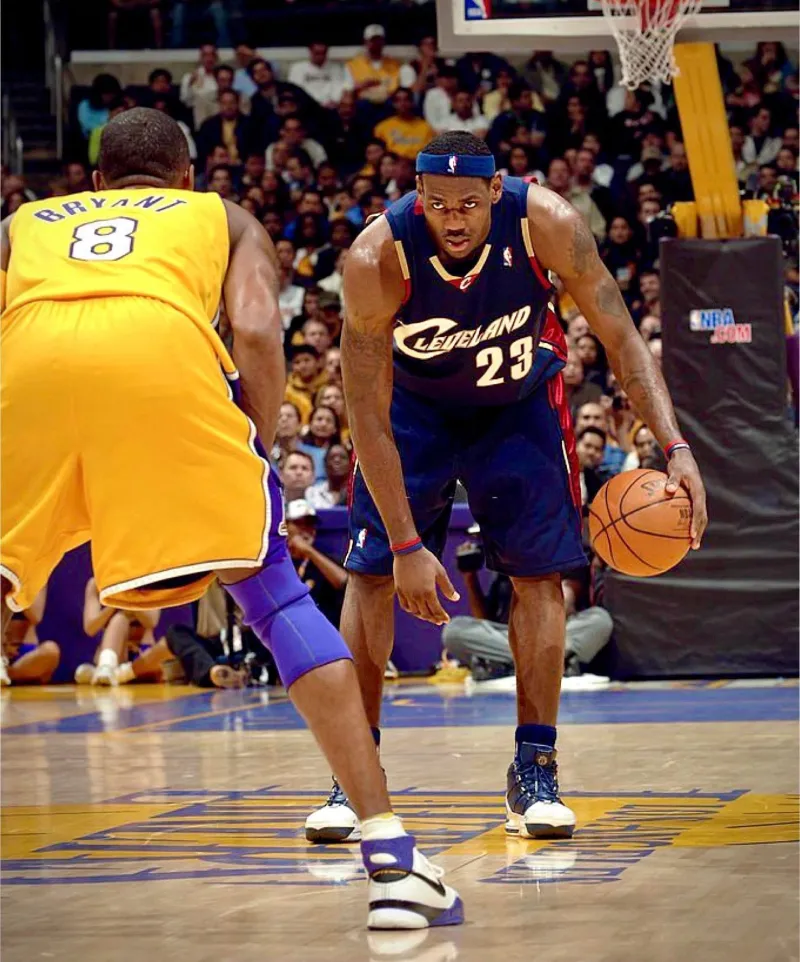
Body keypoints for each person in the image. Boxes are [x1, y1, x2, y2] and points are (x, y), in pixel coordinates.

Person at [0, 107, 461, 929]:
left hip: (26, 370)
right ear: (185, 177)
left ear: (97, 182)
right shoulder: (223, 215)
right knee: (274, 596)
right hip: (160, 364)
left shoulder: (23, 223)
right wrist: (252, 423)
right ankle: (391, 861)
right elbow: (251, 323)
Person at [305, 130, 706, 845]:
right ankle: (354, 775)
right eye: (436, 204)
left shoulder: (546, 223)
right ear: (415, 198)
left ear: (495, 191)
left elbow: (618, 338)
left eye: (466, 203)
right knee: (368, 578)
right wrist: (403, 543)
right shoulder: (376, 255)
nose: (452, 219)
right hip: (411, 413)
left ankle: (535, 766)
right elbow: (364, 410)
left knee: (540, 578)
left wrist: (673, 445)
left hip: (517, 404)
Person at [442, 534, 612, 681]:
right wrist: (470, 578)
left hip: (556, 630)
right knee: (454, 630)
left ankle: (512, 663)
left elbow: (565, 602)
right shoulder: (502, 558)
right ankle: (553, 660)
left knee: (600, 620)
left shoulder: (565, 547)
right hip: (511, 636)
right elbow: (484, 620)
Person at [75, 577, 167, 685]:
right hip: (116, 653)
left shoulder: (147, 579)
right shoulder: (96, 584)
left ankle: (101, 673)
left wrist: (126, 596)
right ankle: (106, 666)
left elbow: (151, 621)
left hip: (141, 653)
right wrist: (113, 604)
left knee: (162, 652)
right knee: (120, 619)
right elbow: (90, 628)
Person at [286, 499, 348, 627]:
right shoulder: (278, 561)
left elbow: (345, 583)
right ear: (285, 526)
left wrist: (308, 551)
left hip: (322, 628)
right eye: (298, 523)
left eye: (309, 524)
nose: (305, 530)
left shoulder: (324, 559)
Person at [1, 587, 60, 686]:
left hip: (23, 652)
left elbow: (36, 616)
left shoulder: (35, 576)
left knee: (51, 650)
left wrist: (16, 585)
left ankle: (8, 674)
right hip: (2, 648)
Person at [373, 88, 436, 161]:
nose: (402, 103)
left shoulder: (427, 127)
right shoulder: (382, 127)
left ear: (412, 102)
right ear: (393, 104)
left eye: (406, 99)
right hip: (392, 166)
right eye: (398, 100)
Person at [288, 41, 349, 110]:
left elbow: (338, 88)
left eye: (323, 53)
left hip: (330, 107)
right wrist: (317, 104)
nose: (320, 56)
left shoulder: (335, 68)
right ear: (310, 52)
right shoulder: (298, 68)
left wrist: (334, 101)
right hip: (307, 107)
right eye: (317, 53)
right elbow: (296, 90)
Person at [180, 43, 220, 130]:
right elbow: (186, 102)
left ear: (217, 58)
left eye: (212, 55)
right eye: (205, 55)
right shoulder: (190, 77)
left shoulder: (223, 76)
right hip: (200, 118)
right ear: (200, 58)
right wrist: (190, 85)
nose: (209, 59)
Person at [305, 443, 352, 508]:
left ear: (350, 464)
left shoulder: (357, 494)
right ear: (325, 464)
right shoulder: (312, 493)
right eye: (332, 457)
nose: (337, 460)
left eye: (343, 457)